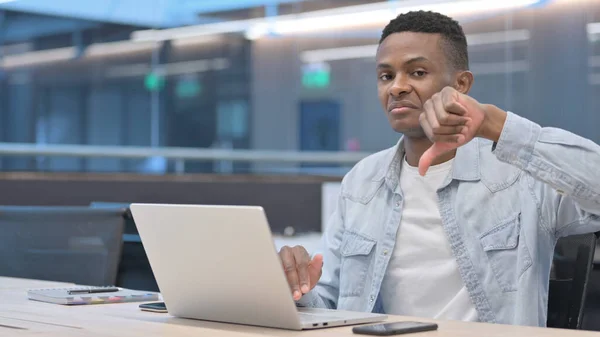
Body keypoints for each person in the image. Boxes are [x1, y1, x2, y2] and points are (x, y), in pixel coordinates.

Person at [278, 10, 600, 327]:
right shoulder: (361, 184)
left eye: (417, 73)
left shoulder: (518, 176)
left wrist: (493, 124)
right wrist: (298, 287)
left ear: (461, 83)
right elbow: (330, 307)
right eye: (386, 76)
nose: (396, 88)